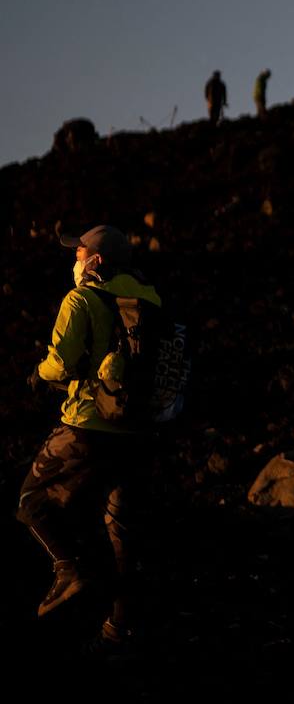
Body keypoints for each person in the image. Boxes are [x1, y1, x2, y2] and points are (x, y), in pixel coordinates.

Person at [17, 225, 162, 656]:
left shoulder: (80, 299)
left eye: (79, 252)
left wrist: (38, 375)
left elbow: (60, 363)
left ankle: (68, 571)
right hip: (138, 432)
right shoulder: (150, 300)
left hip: (87, 425)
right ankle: (119, 630)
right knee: (122, 534)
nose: (74, 259)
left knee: (31, 500)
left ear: (96, 260)